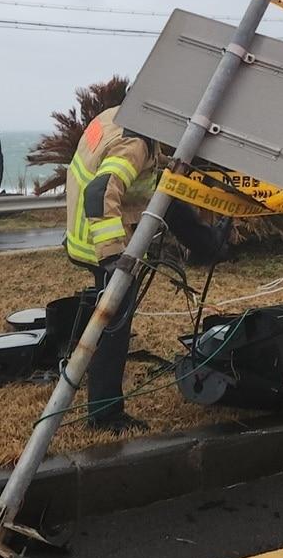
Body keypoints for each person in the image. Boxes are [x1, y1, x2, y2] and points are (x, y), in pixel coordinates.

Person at [65, 105, 227, 433]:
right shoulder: (134, 145)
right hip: (100, 241)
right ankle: (104, 413)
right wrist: (115, 262)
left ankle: (210, 245)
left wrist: (167, 163)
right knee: (113, 324)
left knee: (171, 203)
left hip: (86, 233)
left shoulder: (120, 115)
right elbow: (100, 192)